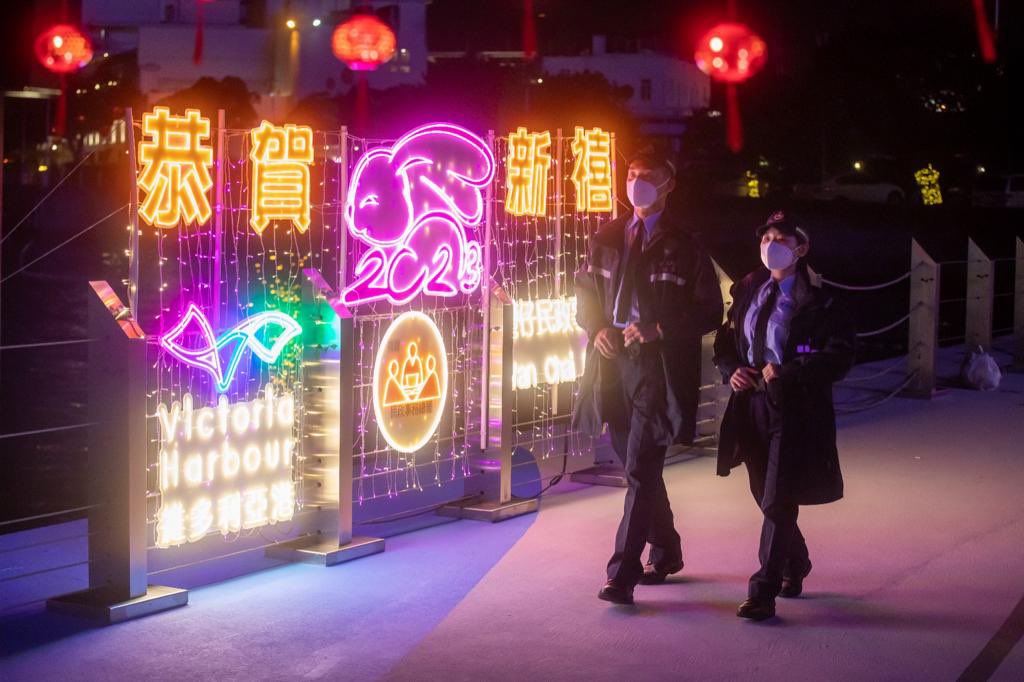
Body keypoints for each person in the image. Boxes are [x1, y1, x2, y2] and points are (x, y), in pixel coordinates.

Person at [574, 150, 724, 605]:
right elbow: (584, 292)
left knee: (640, 467)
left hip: (655, 366)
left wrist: (661, 328)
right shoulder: (606, 236)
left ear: (668, 184)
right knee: (636, 466)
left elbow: (710, 311)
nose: (637, 183)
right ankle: (667, 549)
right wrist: (597, 327)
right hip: (610, 360)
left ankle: (622, 574)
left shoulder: (686, 244)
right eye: (632, 175)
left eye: (648, 177)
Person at [713, 211, 855, 621]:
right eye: (765, 238)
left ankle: (763, 590)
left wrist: (790, 368)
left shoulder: (820, 297)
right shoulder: (748, 288)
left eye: (780, 238)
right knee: (763, 492)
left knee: (778, 496)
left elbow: (838, 353)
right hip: (750, 403)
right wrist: (731, 369)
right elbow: (727, 342)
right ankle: (796, 562)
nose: (770, 245)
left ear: (801, 248)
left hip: (794, 407)